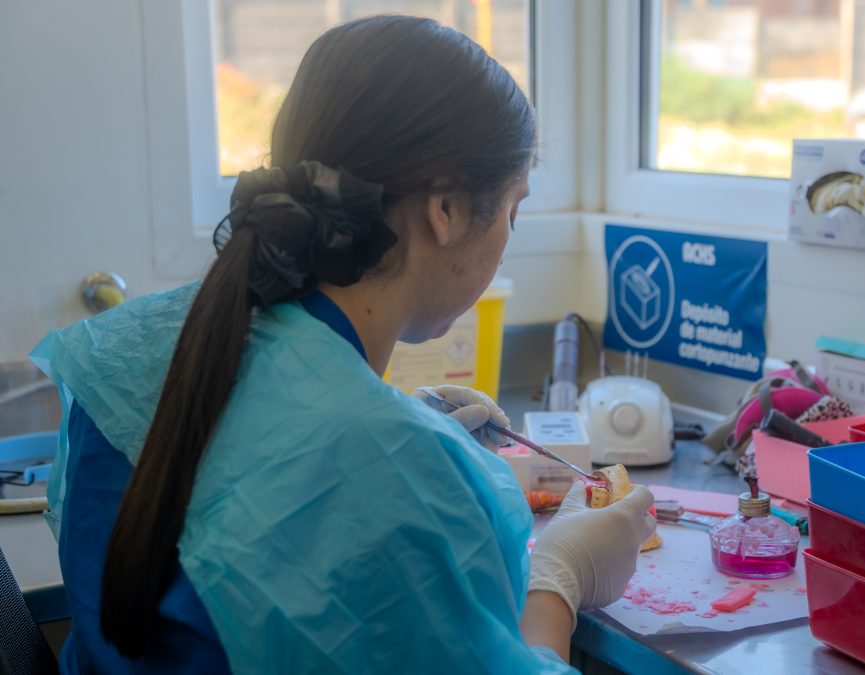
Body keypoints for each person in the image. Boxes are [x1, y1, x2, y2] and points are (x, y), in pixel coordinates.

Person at [30, 15, 655, 674]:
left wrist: (395, 420)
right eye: (511, 208)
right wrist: (558, 579)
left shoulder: (147, 345)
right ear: (443, 210)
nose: (509, 234)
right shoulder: (395, 478)